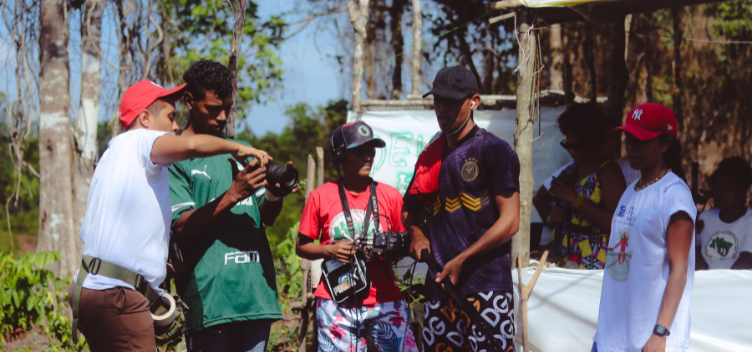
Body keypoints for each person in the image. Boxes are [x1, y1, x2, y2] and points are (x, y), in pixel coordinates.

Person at [68, 80, 270, 351]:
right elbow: (191, 147)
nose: (176, 127)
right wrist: (236, 148)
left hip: (92, 288)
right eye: (171, 117)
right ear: (145, 118)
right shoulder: (142, 138)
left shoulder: (113, 154)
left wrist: (162, 265)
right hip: (118, 295)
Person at [169, 60, 294, 352]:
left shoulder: (242, 151)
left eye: (228, 107)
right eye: (213, 109)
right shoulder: (175, 157)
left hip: (255, 296)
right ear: (189, 101)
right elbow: (181, 227)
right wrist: (232, 194)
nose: (223, 116)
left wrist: (274, 195)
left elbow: (265, 217)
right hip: (211, 301)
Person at [403, 66, 521, 352]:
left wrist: (462, 259)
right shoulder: (430, 155)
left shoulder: (494, 151)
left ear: (474, 102)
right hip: (439, 288)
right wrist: (417, 234)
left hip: (487, 286)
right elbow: (410, 212)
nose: (441, 108)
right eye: (437, 100)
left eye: (451, 101)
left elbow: (511, 221)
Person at [295, 121, 418, 352]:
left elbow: (407, 241)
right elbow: (301, 247)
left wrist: (394, 252)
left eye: (371, 150)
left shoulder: (390, 196)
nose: (368, 156)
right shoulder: (320, 196)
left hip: (385, 298)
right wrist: (329, 250)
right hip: (336, 301)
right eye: (359, 150)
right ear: (340, 155)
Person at [593, 103, 696, 352]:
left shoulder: (674, 195)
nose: (632, 146)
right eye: (629, 138)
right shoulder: (631, 191)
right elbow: (621, 265)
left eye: (643, 139)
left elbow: (679, 271)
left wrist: (660, 334)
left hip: (649, 341)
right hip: (611, 337)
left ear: (665, 144)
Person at [532, 104, 627, 269]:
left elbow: (618, 224)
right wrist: (550, 218)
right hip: (565, 260)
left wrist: (575, 200)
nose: (570, 152)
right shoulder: (571, 170)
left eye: (576, 146)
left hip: (594, 264)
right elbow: (539, 199)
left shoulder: (609, 172)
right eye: (566, 146)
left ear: (592, 142)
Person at [695, 156, 752, 270]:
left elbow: (746, 260)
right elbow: (696, 249)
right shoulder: (705, 218)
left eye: (727, 188)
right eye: (716, 187)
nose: (719, 192)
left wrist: (721, 286)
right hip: (706, 285)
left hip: (738, 285)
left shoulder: (749, 221)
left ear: (742, 191)